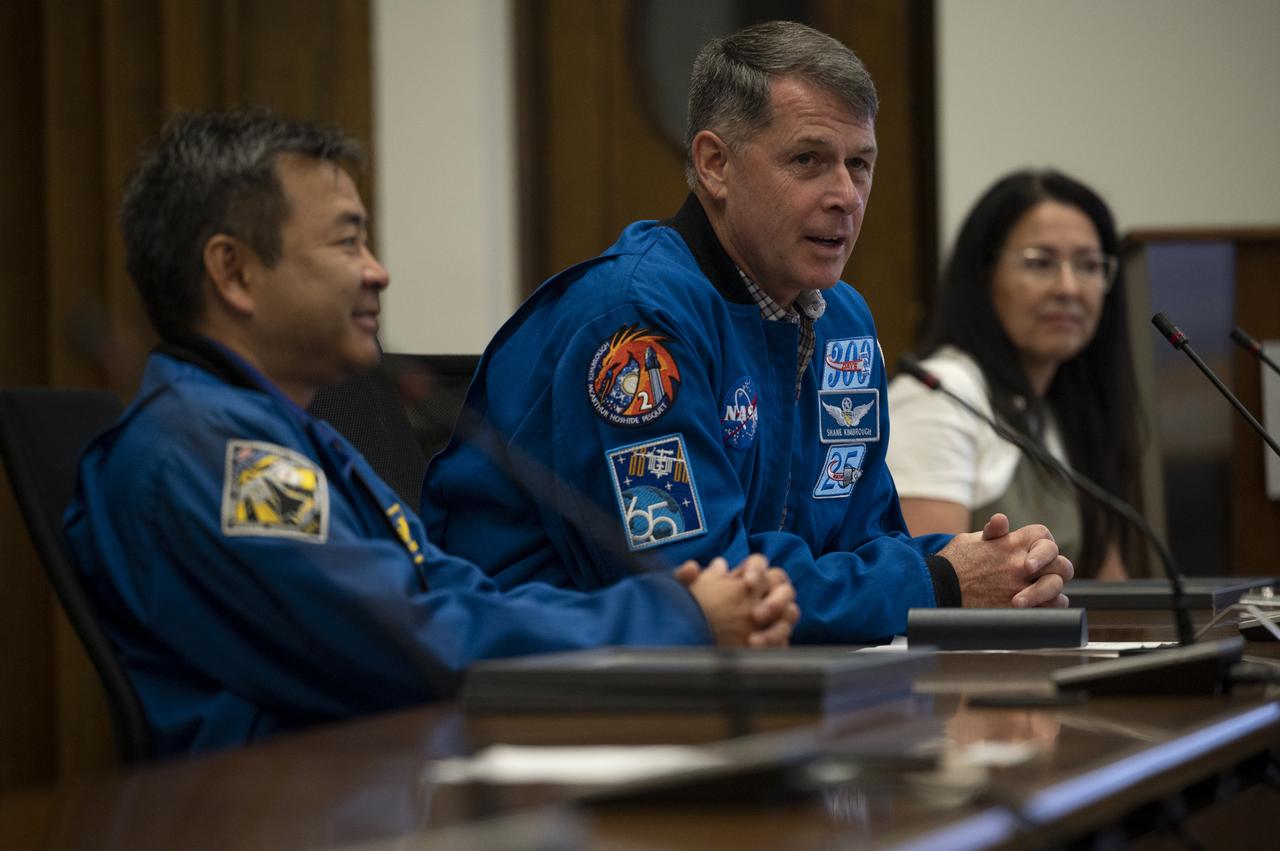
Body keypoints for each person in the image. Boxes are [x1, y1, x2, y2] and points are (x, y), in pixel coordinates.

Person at [63, 111, 798, 756]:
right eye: (347, 243)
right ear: (235, 271)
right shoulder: (217, 454)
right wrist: (676, 616)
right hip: (283, 813)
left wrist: (676, 611)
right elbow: (416, 643)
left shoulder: (279, 431)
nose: (377, 272)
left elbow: (455, 592)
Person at [420, 21, 1073, 644]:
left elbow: (867, 547)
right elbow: (706, 592)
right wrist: (937, 581)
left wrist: (994, 568)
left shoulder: (843, 321)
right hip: (550, 693)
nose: (845, 194)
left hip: (761, 685)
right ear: (714, 165)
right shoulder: (635, 325)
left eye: (860, 164)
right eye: (808, 159)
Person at [887, 170, 1140, 580]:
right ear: (984, 274)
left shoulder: (1064, 408)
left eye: (1089, 265)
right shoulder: (940, 393)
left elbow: (1117, 592)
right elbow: (932, 591)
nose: (1069, 288)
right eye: (1040, 263)